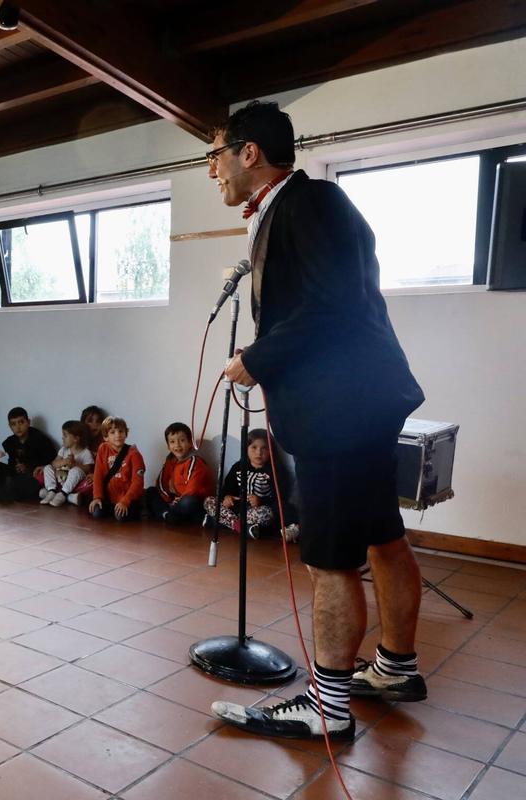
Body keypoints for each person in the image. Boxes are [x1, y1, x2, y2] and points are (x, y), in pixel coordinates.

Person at [204, 102, 426, 742]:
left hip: (340, 411)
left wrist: (256, 359)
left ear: (248, 152)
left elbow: (331, 309)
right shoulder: (297, 207)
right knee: (383, 536)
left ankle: (327, 709)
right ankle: (395, 668)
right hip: (358, 403)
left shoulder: (311, 202)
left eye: (215, 156)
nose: (212, 171)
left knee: (329, 560)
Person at [204, 430, 293, 540]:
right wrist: (227, 497)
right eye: (254, 447)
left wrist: (261, 500)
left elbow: (281, 498)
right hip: (236, 508)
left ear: (271, 450)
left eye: (264, 448)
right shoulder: (238, 467)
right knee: (209, 501)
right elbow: (226, 489)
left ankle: (221, 521)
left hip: (257, 511)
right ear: (246, 448)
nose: (259, 453)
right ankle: (243, 528)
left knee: (267, 513)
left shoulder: (276, 471)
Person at [146, 422, 214, 524]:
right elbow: (161, 483)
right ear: (168, 446)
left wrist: (177, 502)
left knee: (188, 502)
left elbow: (192, 489)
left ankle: (171, 515)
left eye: (182, 440)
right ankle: (168, 514)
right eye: (172, 442)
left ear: (190, 443)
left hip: (195, 500)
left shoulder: (195, 461)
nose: (177, 445)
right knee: (150, 491)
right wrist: (169, 500)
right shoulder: (170, 460)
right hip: (176, 499)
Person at [88, 416, 145, 521]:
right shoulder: (103, 449)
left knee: (120, 516)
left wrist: (125, 501)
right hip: (109, 498)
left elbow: (138, 482)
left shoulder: (134, 454)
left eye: (121, 431)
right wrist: (97, 497)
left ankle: (140, 510)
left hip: (127, 499)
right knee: (96, 513)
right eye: (112, 432)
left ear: (126, 434)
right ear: (106, 437)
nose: (118, 435)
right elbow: (98, 475)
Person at [1, 407, 57, 502]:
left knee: (30, 483)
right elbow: (11, 463)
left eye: (21, 422)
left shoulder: (40, 439)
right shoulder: (9, 442)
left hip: (36, 476)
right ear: (10, 426)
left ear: (28, 422)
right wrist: (16, 468)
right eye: (14, 424)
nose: (18, 427)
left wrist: (28, 468)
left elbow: (51, 462)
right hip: (17, 475)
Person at [40, 420, 94, 508]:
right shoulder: (63, 450)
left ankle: (63, 494)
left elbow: (88, 468)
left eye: (65, 435)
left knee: (75, 470)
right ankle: (52, 491)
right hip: (60, 478)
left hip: (73, 483)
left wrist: (75, 464)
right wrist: (64, 461)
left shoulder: (86, 452)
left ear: (76, 439)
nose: (62, 438)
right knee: (48, 467)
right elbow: (54, 464)